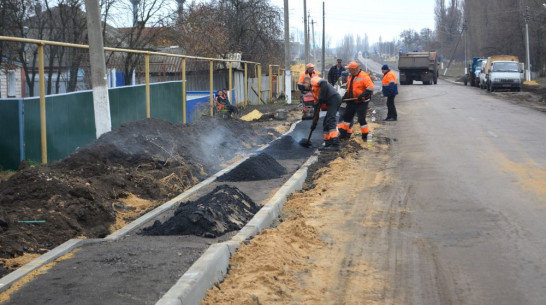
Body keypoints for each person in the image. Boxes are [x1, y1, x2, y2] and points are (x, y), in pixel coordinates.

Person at [301, 76, 342, 151]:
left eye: (304, 85)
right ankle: (328, 143)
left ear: (307, 82)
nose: (304, 88)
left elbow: (324, 83)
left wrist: (322, 96)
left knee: (330, 120)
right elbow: (317, 111)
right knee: (325, 122)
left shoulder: (314, 80)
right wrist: (314, 124)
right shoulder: (314, 93)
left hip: (334, 98)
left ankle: (336, 144)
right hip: (330, 102)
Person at [338, 61, 374, 142]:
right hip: (352, 100)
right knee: (346, 117)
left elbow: (370, 87)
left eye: (349, 69)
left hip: (362, 102)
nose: (348, 71)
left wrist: (362, 95)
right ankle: (343, 134)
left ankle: (365, 135)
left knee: (361, 119)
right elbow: (349, 89)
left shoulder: (364, 76)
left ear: (354, 69)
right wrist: (344, 97)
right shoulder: (350, 76)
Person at [335, 71, 353, 140]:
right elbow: (335, 88)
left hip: (349, 104)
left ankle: (348, 133)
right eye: (342, 77)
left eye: (344, 78)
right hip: (341, 104)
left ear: (347, 77)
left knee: (349, 119)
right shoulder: (339, 80)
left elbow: (350, 93)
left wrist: (344, 98)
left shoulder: (350, 82)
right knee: (341, 117)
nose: (343, 79)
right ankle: (341, 133)